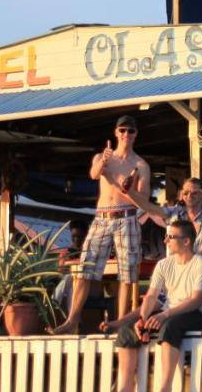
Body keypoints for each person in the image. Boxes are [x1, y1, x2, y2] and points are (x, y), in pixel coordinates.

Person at [50, 115, 150, 335]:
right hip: (103, 217)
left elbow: (144, 199)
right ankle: (72, 320)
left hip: (127, 216)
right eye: (122, 130)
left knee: (127, 274)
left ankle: (121, 324)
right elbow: (93, 174)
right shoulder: (103, 156)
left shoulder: (140, 165)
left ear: (136, 134)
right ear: (116, 133)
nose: (126, 135)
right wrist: (104, 162)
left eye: (130, 131)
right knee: (85, 269)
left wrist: (128, 190)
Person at [104, 218, 202, 392]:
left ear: (186, 241)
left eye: (171, 237)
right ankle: (126, 388)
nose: (166, 241)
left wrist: (164, 315)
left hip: (196, 315)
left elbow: (196, 301)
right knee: (127, 331)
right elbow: (150, 297)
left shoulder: (201, 264)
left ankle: (165, 390)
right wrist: (142, 319)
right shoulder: (163, 264)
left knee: (169, 325)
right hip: (169, 313)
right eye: (166, 236)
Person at [118, 176, 202, 264]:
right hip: (176, 269)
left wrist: (185, 268)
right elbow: (147, 207)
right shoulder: (175, 212)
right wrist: (128, 192)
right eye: (185, 193)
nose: (189, 196)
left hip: (201, 270)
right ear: (182, 195)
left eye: (194, 193)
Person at [51, 220, 86, 314]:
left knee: (70, 279)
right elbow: (59, 271)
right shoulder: (65, 252)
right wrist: (65, 264)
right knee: (70, 282)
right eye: (74, 236)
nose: (76, 240)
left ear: (85, 236)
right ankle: (75, 323)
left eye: (80, 237)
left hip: (84, 284)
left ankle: (55, 299)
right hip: (70, 284)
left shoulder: (89, 252)